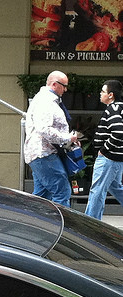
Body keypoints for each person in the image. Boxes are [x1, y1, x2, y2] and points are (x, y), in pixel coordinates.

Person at [24, 70, 78, 207]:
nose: (66, 90)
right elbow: (44, 129)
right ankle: (64, 226)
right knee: (62, 191)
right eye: (64, 86)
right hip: (44, 153)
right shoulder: (45, 101)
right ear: (54, 84)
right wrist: (67, 138)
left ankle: (32, 223)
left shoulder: (45, 99)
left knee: (42, 195)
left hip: (40, 154)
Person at [85, 80, 123, 219]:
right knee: (116, 188)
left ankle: (90, 224)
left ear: (111, 95)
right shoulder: (120, 108)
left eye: (102, 91)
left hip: (108, 158)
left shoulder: (112, 109)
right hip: (117, 158)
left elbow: (119, 131)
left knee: (97, 191)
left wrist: (104, 150)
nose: (100, 94)